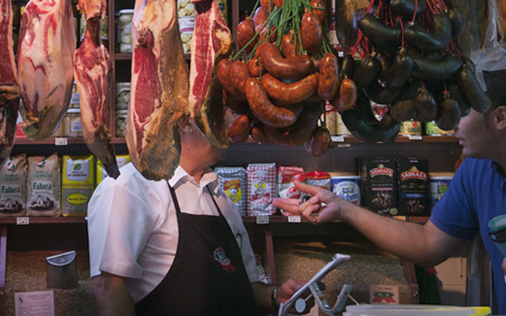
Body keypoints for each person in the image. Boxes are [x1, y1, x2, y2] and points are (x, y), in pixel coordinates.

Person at [274, 69, 506, 313]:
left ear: (500, 118)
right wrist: (343, 208)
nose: (450, 122)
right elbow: (428, 243)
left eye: (463, 110)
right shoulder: (477, 169)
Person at [88, 116, 308, 316]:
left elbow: (246, 288)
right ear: (186, 123)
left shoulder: (219, 195)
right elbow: (107, 287)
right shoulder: (129, 188)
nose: (234, 127)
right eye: (221, 114)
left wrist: (275, 295)